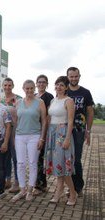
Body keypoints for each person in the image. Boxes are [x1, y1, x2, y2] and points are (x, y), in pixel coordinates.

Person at [11, 80, 47, 202]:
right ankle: (22, 190)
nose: (30, 90)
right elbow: (16, 121)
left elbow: (44, 121)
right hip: (20, 136)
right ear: (23, 89)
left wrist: (42, 138)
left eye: (32, 88)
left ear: (34, 88)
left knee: (32, 163)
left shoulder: (40, 102)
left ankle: (30, 191)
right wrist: (14, 137)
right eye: (27, 88)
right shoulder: (18, 103)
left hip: (34, 136)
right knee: (20, 163)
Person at [44, 76, 77, 205]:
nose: (58, 87)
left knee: (64, 167)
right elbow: (49, 118)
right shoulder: (53, 100)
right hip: (52, 134)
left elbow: (70, 121)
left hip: (62, 134)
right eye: (57, 84)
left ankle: (73, 194)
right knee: (58, 166)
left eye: (62, 85)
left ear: (66, 87)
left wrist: (67, 138)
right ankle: (59, 193)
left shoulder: (68, 101)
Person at [67, 67, 94, 197]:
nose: (73, 79)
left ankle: (78, 187)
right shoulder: (64, 91)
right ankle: (70, 187)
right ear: (67, 77)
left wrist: (88, 131)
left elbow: (90, 112)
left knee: (76, 159)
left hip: (79, 130)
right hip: (65, 130)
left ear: (79, 76)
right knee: (67, 159)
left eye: (75, 76)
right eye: (71, 76)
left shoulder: (85, 92)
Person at [0, 77, 22, 193]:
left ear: (13, 86)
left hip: (15, 132)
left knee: (15, 157)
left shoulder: (18, 99)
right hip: (2, 132)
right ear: (2, 86)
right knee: (4, 157)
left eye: (9, 85)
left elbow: (21, 116)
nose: (7, 87)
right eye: (5, 85)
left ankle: (17, 182)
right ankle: (7, 180)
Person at [34, 75, 54, 195]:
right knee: (35, 158)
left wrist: (44, 133)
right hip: (33, 130)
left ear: (47, 84)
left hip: (43, 131)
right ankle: (41, 184)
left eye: (43, 82)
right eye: (39, 82)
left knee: (40, 158)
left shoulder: (49, 97)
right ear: (36, 84)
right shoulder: (34, 96)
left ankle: (40, 186)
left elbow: (47, 117)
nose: (41, 84)